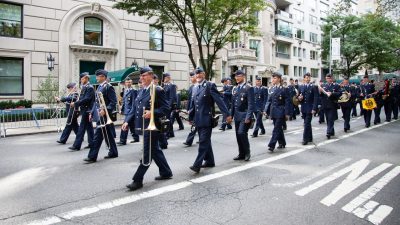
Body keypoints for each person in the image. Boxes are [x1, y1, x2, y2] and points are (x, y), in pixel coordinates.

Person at [124, 66, 173, 191]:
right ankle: (166, 172)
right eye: (141, 76)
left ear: (151, 76)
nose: (142, 78)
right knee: (154, 149)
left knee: (147, 152)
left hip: (153, 126)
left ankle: (137, 180)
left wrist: (153, 113)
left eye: (144, 75)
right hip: (144, 125)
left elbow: (166, 108)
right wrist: (126, 121)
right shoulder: (141, 91)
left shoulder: (158, 90)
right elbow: (134, 108)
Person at [188, 67, 232, 173]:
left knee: (203, 142)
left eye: (200, 74)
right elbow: (194, 105)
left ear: (204, 74)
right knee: (206, 141)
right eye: (196, 74)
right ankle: (210, 161)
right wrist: (190, 118)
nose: (198, 76)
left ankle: (197, 165)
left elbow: (219, 101)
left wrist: (227, 115)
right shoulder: (195, 88)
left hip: (207, 119)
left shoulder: (209, 85)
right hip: (198, 119)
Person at [84, 69, 118, 163]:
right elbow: (96, 102)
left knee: (97, 136)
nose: (97, 78)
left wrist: (105, 110)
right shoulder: (99, 87)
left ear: (103, 77)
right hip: (100, 114)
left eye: (98, 76)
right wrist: (92, 112)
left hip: (105, 115)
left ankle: (92, 156)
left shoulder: (108, 87)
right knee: (108, 135)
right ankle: (113, 152)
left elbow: (113, 102)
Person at [231, 70, 255, 161]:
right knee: (238, 135)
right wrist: (231, 116)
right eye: (235, 76)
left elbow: (251, 104)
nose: (236, 78)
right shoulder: (235, 88)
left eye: (239, 76)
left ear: (243, 76)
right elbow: (233, 104)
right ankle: (241, 153)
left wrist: (248, 117)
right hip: (237, 116)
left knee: (242, 133)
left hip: (245, 115)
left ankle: (247, 152)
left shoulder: (248, 88)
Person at [264, 72, 290, 152]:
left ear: (279, 79)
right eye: (273, 78)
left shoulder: (284, 89)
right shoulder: (271, 89)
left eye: (275, 78)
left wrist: (287, 113)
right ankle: (282, 142)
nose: (273, 80)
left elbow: (287, 101)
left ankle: (271, 145)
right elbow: (269, 101)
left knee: (276, 129)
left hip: (281, 111)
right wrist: (265, 110)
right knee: (278, 128)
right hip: (273, 111)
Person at [69, 72, 95, 151]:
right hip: (84, 110)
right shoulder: (84, 87)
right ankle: (92, 143)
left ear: (86, 78)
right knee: (89, 128)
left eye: (82, 78)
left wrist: (76, 103)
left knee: (81, 128)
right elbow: (82, 98)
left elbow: (87, 99)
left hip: (87, 110)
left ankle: (77, 145)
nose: (81, 80)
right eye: (81, 78)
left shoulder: (90, 87)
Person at [297, 73, 318, 145]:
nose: (308, 79)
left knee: (306, 123)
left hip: (310, 108)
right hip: (303, 108)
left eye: (309, 77)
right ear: (304, 79)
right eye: (306, 78)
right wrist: (299, 98)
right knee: (307, 123)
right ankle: (310, 137)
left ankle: (305, 139)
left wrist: (314, 108)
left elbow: (316, 98)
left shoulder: (314, 87)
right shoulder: (301, 87)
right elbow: (298, 97)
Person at [318, 74, 342, 139]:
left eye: (330, 78)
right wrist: (320, 92)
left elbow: (340, 93)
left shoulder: (336, 85)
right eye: (327, 78)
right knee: (328, 119)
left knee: (331, 118)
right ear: (326, 79)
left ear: (332, 78)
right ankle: (332, 131)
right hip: (325, 105)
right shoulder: (323, 86)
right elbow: (320, 96)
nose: (329, 79)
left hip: (332, 104)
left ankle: (328, 132)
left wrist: (332, 93)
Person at [117, 78, 139, 146]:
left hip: (130, 112)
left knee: (124, 125)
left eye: (129, 82)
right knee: (132, 125)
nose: (128, 83)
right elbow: (124, 102)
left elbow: (133, 104)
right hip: (126, 111)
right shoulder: (125, 90)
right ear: (125, 83)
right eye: (127, 82)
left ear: (131, 83)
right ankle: (136, 138)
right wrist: (121, 109)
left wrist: (131, 113)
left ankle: (122, 140)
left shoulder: (134, 91)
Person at [183, 72, 198, 146]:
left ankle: (189, 140)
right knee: (195, 125)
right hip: (193, 110)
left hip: (198, 110)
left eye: (192, 77)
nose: (191, 79)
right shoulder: (191, 87)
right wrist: (188, 109)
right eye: (190, 77)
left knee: (195, 125)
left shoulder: (199, 86)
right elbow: (189, 99)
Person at [163, 72, 177, 138]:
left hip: (168, 105)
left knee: (167, 119)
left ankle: (167, 134)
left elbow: (172, 97)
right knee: (168, 119)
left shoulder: (172, 85)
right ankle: (171, 133)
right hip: (165, 105)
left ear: (168, 78)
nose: (164, 79)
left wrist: (169, 106)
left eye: (165, 78)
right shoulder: (165, 86)